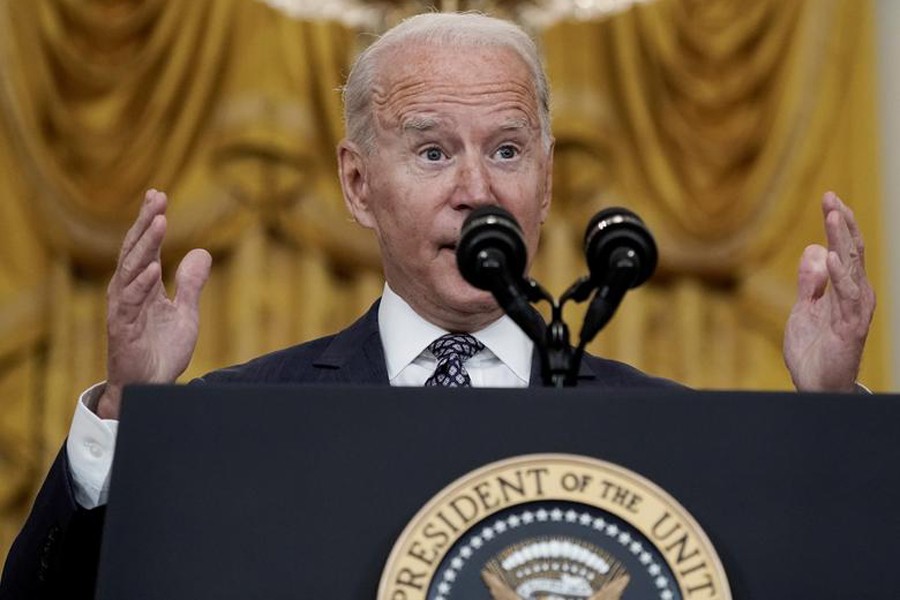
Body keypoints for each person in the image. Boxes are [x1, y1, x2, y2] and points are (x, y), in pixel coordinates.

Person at [0, 12, 875, 599]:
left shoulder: (668, 433)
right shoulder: (240, 420)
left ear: (547, 182)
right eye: (430, 152)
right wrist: (126, 412)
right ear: (356, 183)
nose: (476, 190)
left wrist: (834, 425)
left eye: (505, 148)